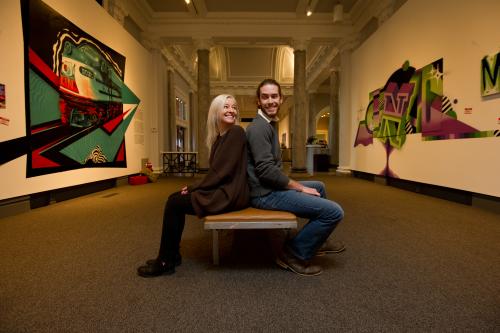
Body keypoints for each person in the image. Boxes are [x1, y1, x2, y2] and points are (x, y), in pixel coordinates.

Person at [137, 94, 249, 277]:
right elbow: (218, 173)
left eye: (234, 107)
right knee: (174, 199)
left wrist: (192, 187)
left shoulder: (236, 133)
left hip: (231, 193)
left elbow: (221, 172)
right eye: (226, 107)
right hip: (223, 188)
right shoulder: (220, 138)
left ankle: (166, 260)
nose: (231, 110)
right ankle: (172, 254)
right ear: (216, 111)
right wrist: (195, 187)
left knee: (174, 204)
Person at [246, 78, 345, 277]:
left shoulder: (267, 124)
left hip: (269, 187)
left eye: (274, 96)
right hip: (263, 194)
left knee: (320, 186)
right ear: (258, 101)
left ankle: (317, 241)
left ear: (281, 98)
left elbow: (271, 169)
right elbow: (265, 171)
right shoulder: (258, 128)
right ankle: (293, 254)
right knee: (334, 213)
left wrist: (296, 185)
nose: (270, 101)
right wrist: (298, 187)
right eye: (265, 97)